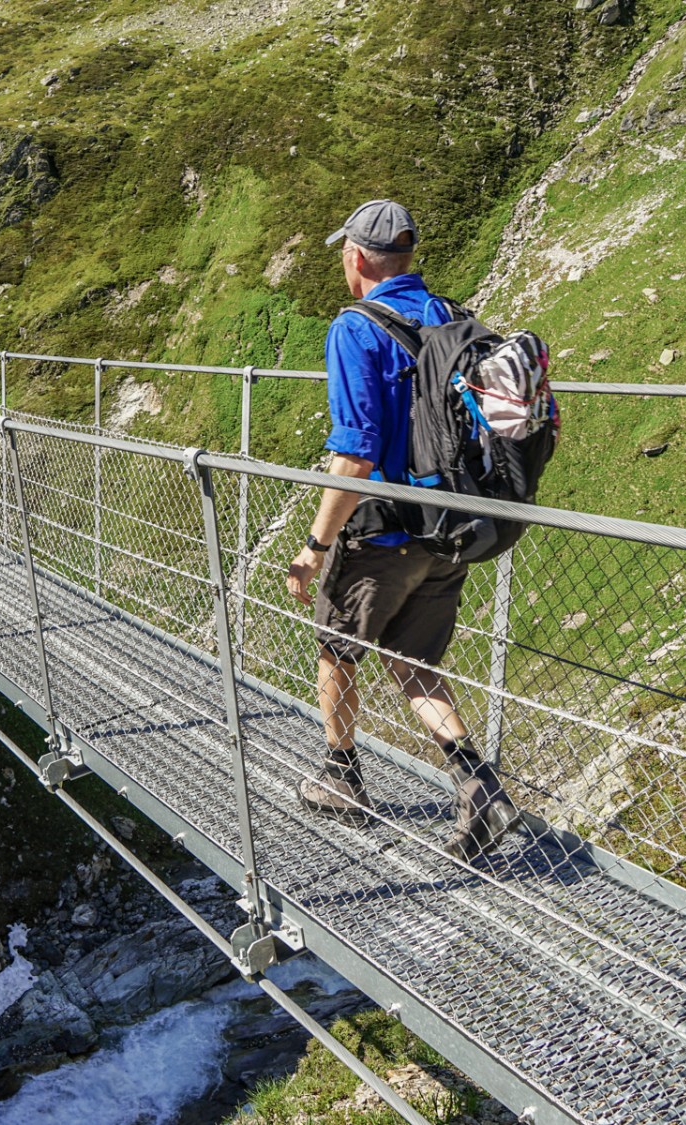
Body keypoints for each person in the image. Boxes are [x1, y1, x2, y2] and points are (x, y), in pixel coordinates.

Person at [285, 199, 520, 861]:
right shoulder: (450, 314)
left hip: (383, 535)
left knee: (336, 648)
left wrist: (315, 546)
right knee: (414, 662)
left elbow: (356, 452)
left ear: (357, 257)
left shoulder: (354, 327)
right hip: (449, 528)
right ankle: (480, 784)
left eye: (343, 251)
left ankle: (342, 776)